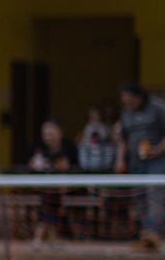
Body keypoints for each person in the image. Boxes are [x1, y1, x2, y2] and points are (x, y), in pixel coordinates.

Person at [114, 82, 165, 249]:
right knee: (140, 198)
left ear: (139, 97)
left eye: (131, 100)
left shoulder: (158, 109)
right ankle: (144, 233)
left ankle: (153, 232)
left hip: (159, 160)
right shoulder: (126, 114)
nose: (128, 104)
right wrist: (120, 160)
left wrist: (158, 149)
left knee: (155, 195)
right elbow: (123, 140)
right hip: (136, 162)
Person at [26, 119, 76, 249]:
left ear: (59, 133)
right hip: (45, 190)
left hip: (59, 189)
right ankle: (38, 239)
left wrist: (52, 165)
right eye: (45, 134)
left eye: (51, 133)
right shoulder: (39, 148)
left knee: (53, 214)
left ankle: (51, 239)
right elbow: (32, 163)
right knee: (46, 214)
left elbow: (65, 166)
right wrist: (37, 165)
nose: (48, 137)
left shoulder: (67, 148)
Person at [77, 106, 118, 173]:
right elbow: (82, 142)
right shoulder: (87, 127)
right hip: (89, 160)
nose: (94, 118)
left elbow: (109, 142)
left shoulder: (105, 127)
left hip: (103, 159)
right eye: (92, 116)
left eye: (96, 115)